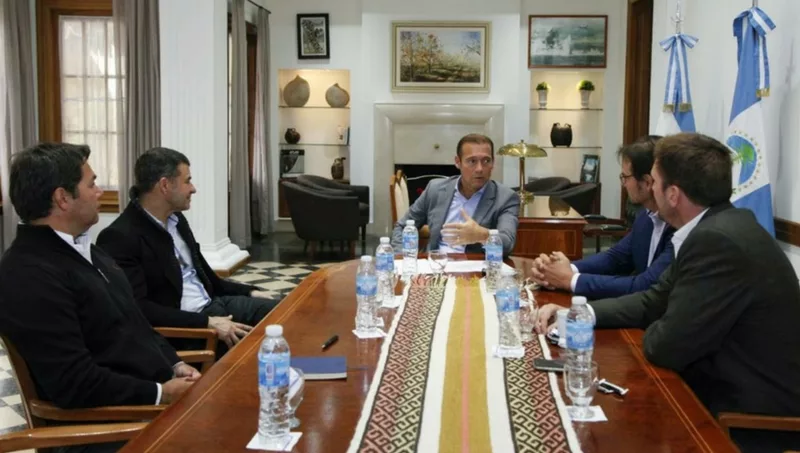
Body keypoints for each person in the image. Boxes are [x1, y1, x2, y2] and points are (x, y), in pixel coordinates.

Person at [535, 133, 800, 453]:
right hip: (716, 389)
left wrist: (662, 323)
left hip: (746, 420)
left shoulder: (716, 241)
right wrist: (576, 314)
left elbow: (665, 346)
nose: (650, 188)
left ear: (672, 194)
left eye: (655, 181)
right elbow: (654, 299)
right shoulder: (716, 227)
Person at [0, 143, 200, 453]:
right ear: (62, 198)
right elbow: (74, 383)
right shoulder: (28, 275)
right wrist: (160, 393)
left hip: (146, 403)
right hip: (105, 430)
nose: (99, 192)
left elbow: (135, 323)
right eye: (91, 184)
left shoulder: (85, 250)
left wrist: (174, 363)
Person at [97, 147, 279, 351]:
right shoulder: (120, 237)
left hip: (214, 306)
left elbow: (209, 279)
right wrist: (207, 323)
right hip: (187, 329)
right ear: (165, 185)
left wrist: (251, 292)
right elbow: (139, 308)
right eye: (187, 181)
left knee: (285, 311)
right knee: (264, 350)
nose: (193, 189)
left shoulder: (177, 220)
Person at [531, 136, 675, 298]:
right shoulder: (646, 216)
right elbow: (615, 257)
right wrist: (561, 269)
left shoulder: (679, 228)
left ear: (647, 182)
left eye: (625, 177)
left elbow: (644, 285)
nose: (623, 184)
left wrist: (569, 279)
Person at [391, 133, 520, 256]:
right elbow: (402, 226)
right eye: (472, 161)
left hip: (475, 268)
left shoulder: (506, 198)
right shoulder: (435, 189)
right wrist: (402, 259)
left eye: (486, 161)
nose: (480, 168)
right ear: (458, 162)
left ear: (493, 163)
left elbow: (508, 243)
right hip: (435, 264)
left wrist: (482, 236)